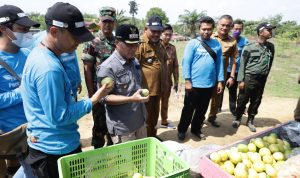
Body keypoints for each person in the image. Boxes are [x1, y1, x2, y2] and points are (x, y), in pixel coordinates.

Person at [20, 2, 110, 177]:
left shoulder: (41, 53)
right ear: (54, 31)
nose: (78, 42)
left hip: (48, 144)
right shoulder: (48, 68)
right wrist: (93, 99)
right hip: (55, 150)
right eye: (74, 37)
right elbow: (59, 117)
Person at [0, 4, 40, 178]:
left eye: (28, 29)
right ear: (3, 29)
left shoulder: (30, 56)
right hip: (9, 136)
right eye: (22, 29)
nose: (27, 33)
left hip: (32, 133)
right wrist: (21, 92)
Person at [97, 24, 149, 144]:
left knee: (142, 159)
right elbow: (103, 98)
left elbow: (135, 85)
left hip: (140, 122)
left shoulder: (134, 61)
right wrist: (132, 98)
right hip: (123, 129)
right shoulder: (107, 67)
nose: (134, 48)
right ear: (117, 43)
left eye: (136, 44)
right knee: (127, 162)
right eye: (129, 44)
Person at [177, 16, 224, 141]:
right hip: (193, 84)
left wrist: (220, 81)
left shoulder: (216, 44)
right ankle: (182, 129)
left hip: (209, 84)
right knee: (188, 109)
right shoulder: (193, 43)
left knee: (202, 110)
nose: (206, 32)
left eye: (209, 29)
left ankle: (196, 129)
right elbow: (186, 62)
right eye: (204, 29)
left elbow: (219, 63)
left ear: (213, 29)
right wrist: (187, 80)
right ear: (199, 29)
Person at [82, 6, 116, 148]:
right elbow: (87, 70)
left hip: (115, 92)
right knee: (99, 124)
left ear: (114, 22)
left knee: (113, 123)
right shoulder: (92, 42)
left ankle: (112, 149)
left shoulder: (117, 41)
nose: (107, 24)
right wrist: (92, 94)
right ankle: (98, 152)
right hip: (99, 92)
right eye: (105, 21)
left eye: (110, 21)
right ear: (100, 22)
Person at [232, 22, 276, 132]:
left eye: (271, 30)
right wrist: (241, 80)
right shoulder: (249, 47)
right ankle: (238, 118)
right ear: (261, 32)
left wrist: (265, 75)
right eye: (268, 30)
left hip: (262, 78)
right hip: (249, 77)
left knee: (256, 100)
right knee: (242, 99)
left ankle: (250, 120)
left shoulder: (271, 47)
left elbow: (269, 63)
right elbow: (242, 64)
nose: (270, 32)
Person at [135, 16, 168, 137]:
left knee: (154, 116)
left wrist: (165, 82)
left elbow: (163, 63)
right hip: (144, 90)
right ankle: (145, 141)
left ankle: (153, 137)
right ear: (145, 29)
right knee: (145, 119)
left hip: (157, 89)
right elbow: (133, 67)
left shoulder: (160, 44)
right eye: (153, 31)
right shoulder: (140, 44)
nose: (156, 34)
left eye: (159, 31)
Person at [31, 30, 82, 101]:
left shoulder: (67, 37)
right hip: (56, 87)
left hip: (72, 85)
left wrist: (78, 80)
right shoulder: (37, 39)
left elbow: (74, 60)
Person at [207, 14, 238, 127]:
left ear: (231, 27)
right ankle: (198, 119)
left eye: (228, 26)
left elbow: (233, 60)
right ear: (217, 25)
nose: (224, 28)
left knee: (217, 99)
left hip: (221, 76)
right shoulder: (209, 36)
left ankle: (212, 117)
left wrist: (232, 76)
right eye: (222, 25)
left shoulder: (232, 41)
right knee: (202, 98)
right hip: (205, 75)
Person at [225, 19, 248, 116]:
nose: (237, 31)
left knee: (242, 91)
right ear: (231, 28)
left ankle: (240, 108)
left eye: (240, 29)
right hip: (228, 70)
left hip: (240, 70)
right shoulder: (227, 39)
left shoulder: (245, 41)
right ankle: (232, 109)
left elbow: (246, 56)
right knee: (231, 90)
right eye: (235, 29)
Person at [160, 24, 179, 129]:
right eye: (165, 34)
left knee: (165, 103)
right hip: (155, 82)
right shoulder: (156, 46)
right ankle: (149, 124)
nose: (167, 37)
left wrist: (176, 81)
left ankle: (164, 121)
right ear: (161, 34)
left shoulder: (173, 48)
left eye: (170, 35)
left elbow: (175, 66)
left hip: (167, 82)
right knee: (151, 105)